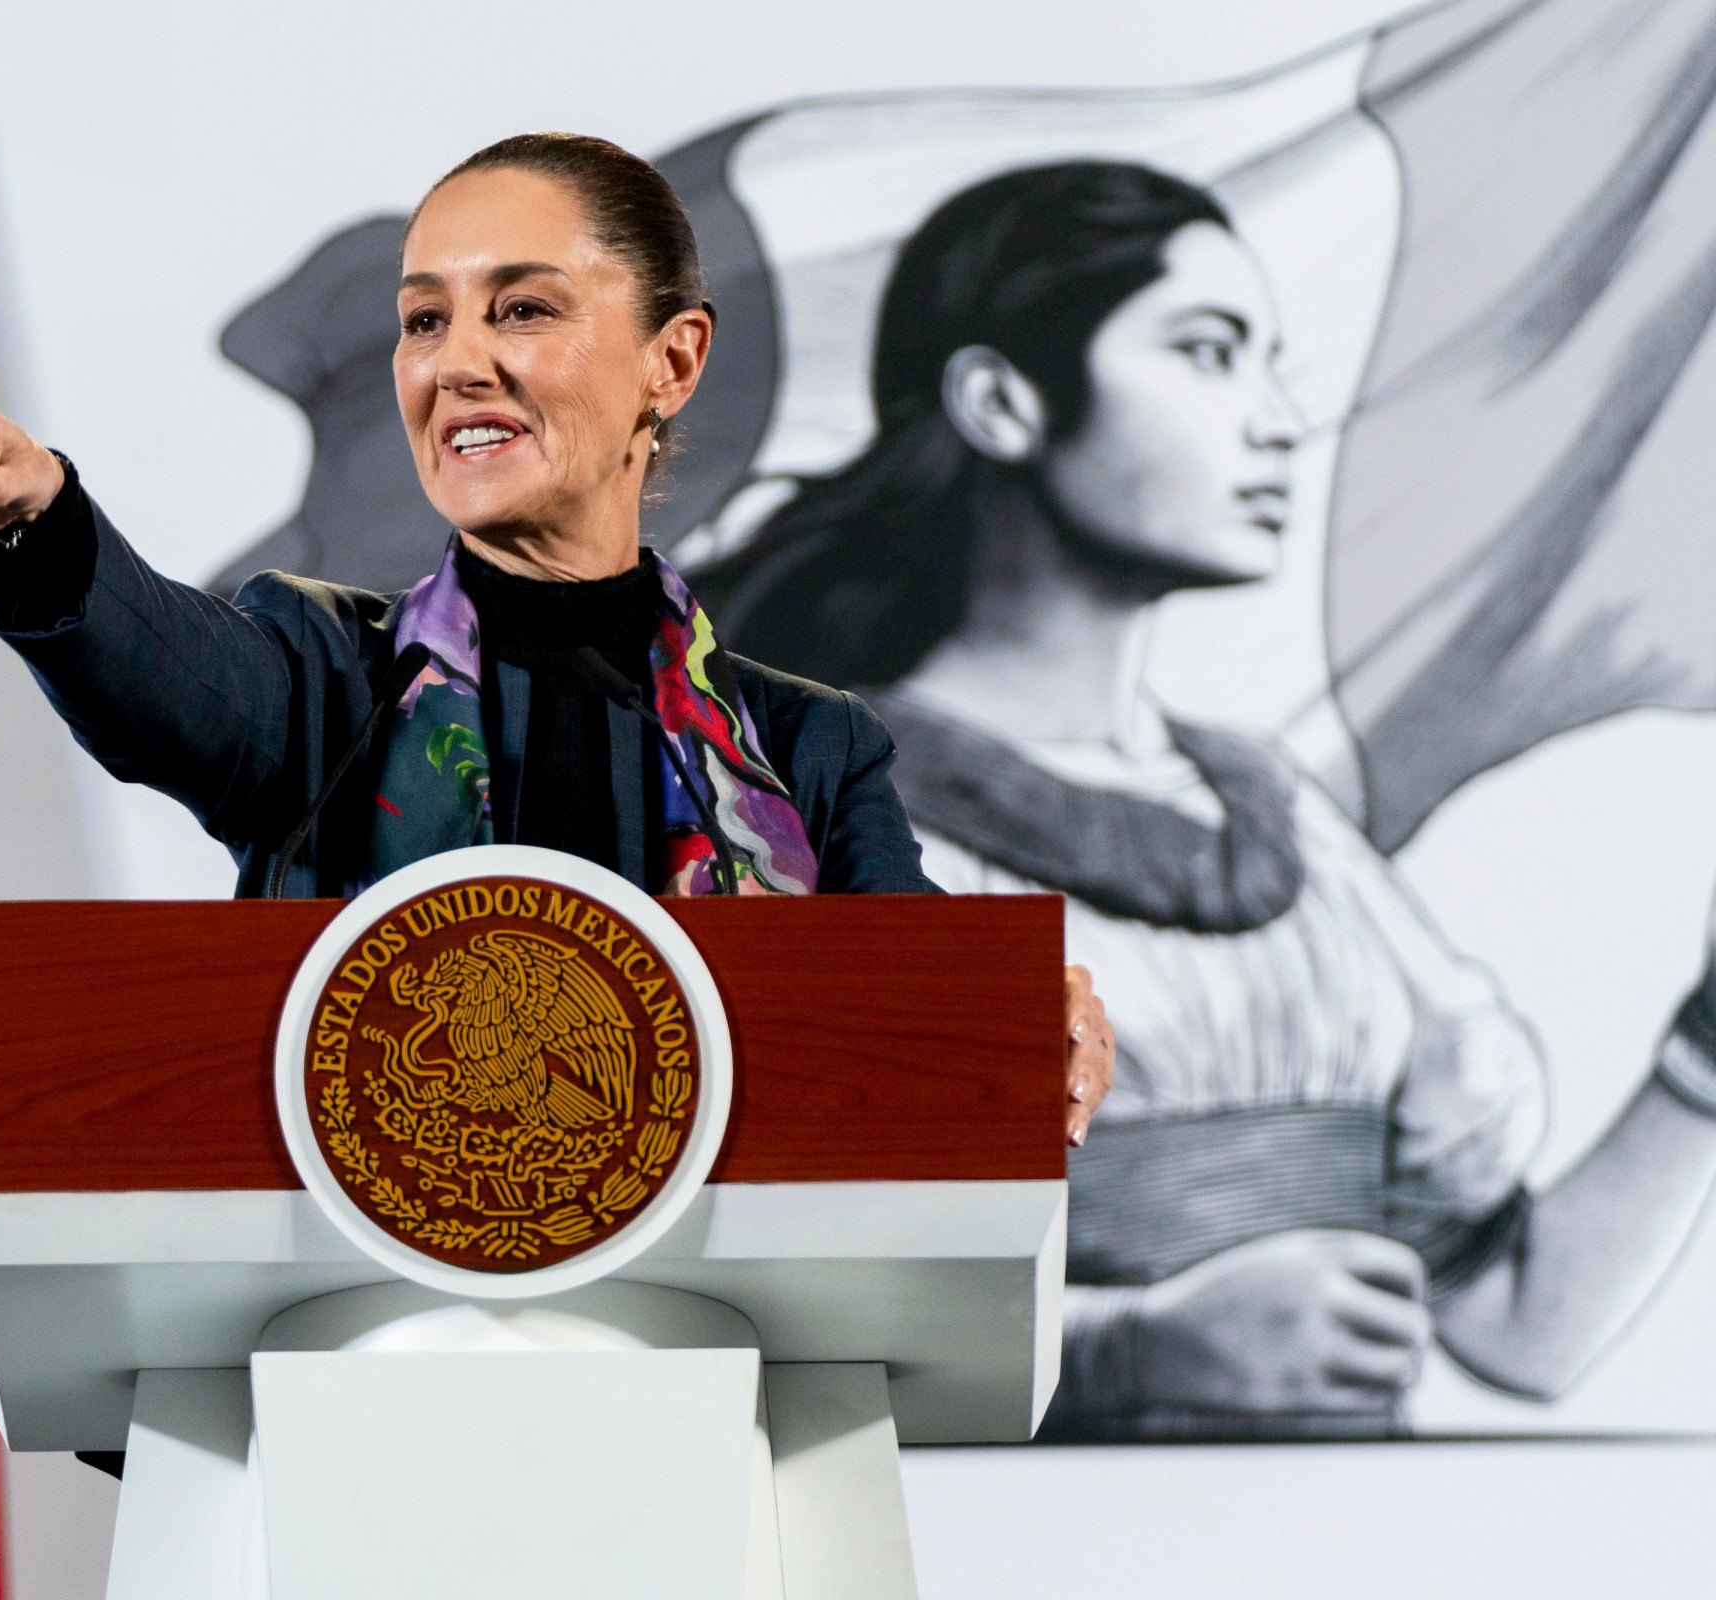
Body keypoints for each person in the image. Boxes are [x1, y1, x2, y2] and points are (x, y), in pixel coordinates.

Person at [698, 160, 1716, 1438]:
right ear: (1002, 402)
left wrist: (1706, 1046)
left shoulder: (1275, 814)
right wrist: (1133, 1348)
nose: (1279, 417)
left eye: (1270, 359)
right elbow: (769, 1324)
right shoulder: (824, 802)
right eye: (1209, 351)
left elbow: (1521, 1327)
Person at [0, 132, 1114, 1144]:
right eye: (423, 322)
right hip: (363, 1392)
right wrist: (38, 520)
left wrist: (1018, 1021)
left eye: (520, 308)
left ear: (672, 362)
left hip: (710, 1402)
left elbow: (923, 1033)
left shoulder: (815, 753)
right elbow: (153, 668)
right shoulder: (320, 680)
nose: (454, 364)